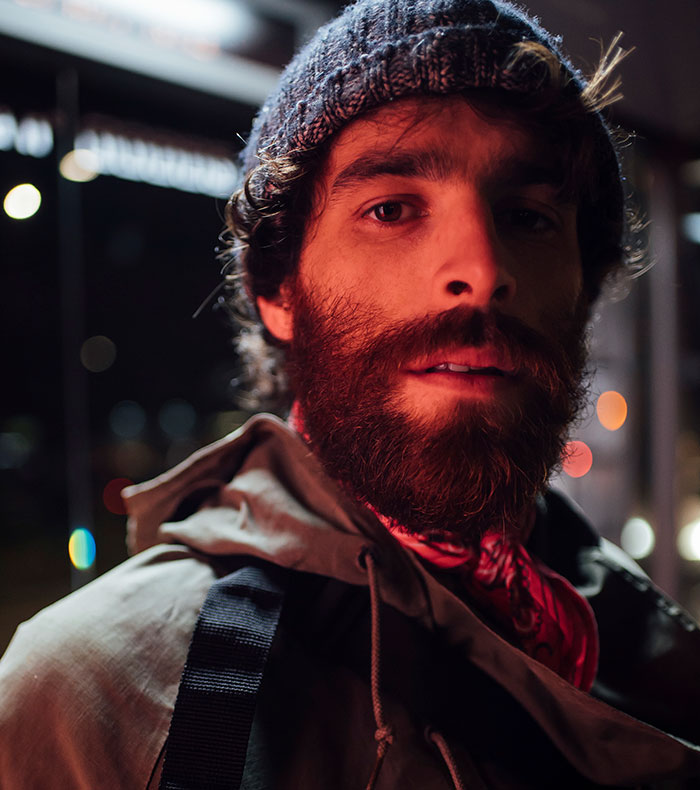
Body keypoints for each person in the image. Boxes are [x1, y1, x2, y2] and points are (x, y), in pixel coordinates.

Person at [2, 0, 700, 787]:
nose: (481, 265)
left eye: (528, 217)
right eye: (391, 209)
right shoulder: (95, 692)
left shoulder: (636, 630)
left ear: (583, 289)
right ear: (280, 291)